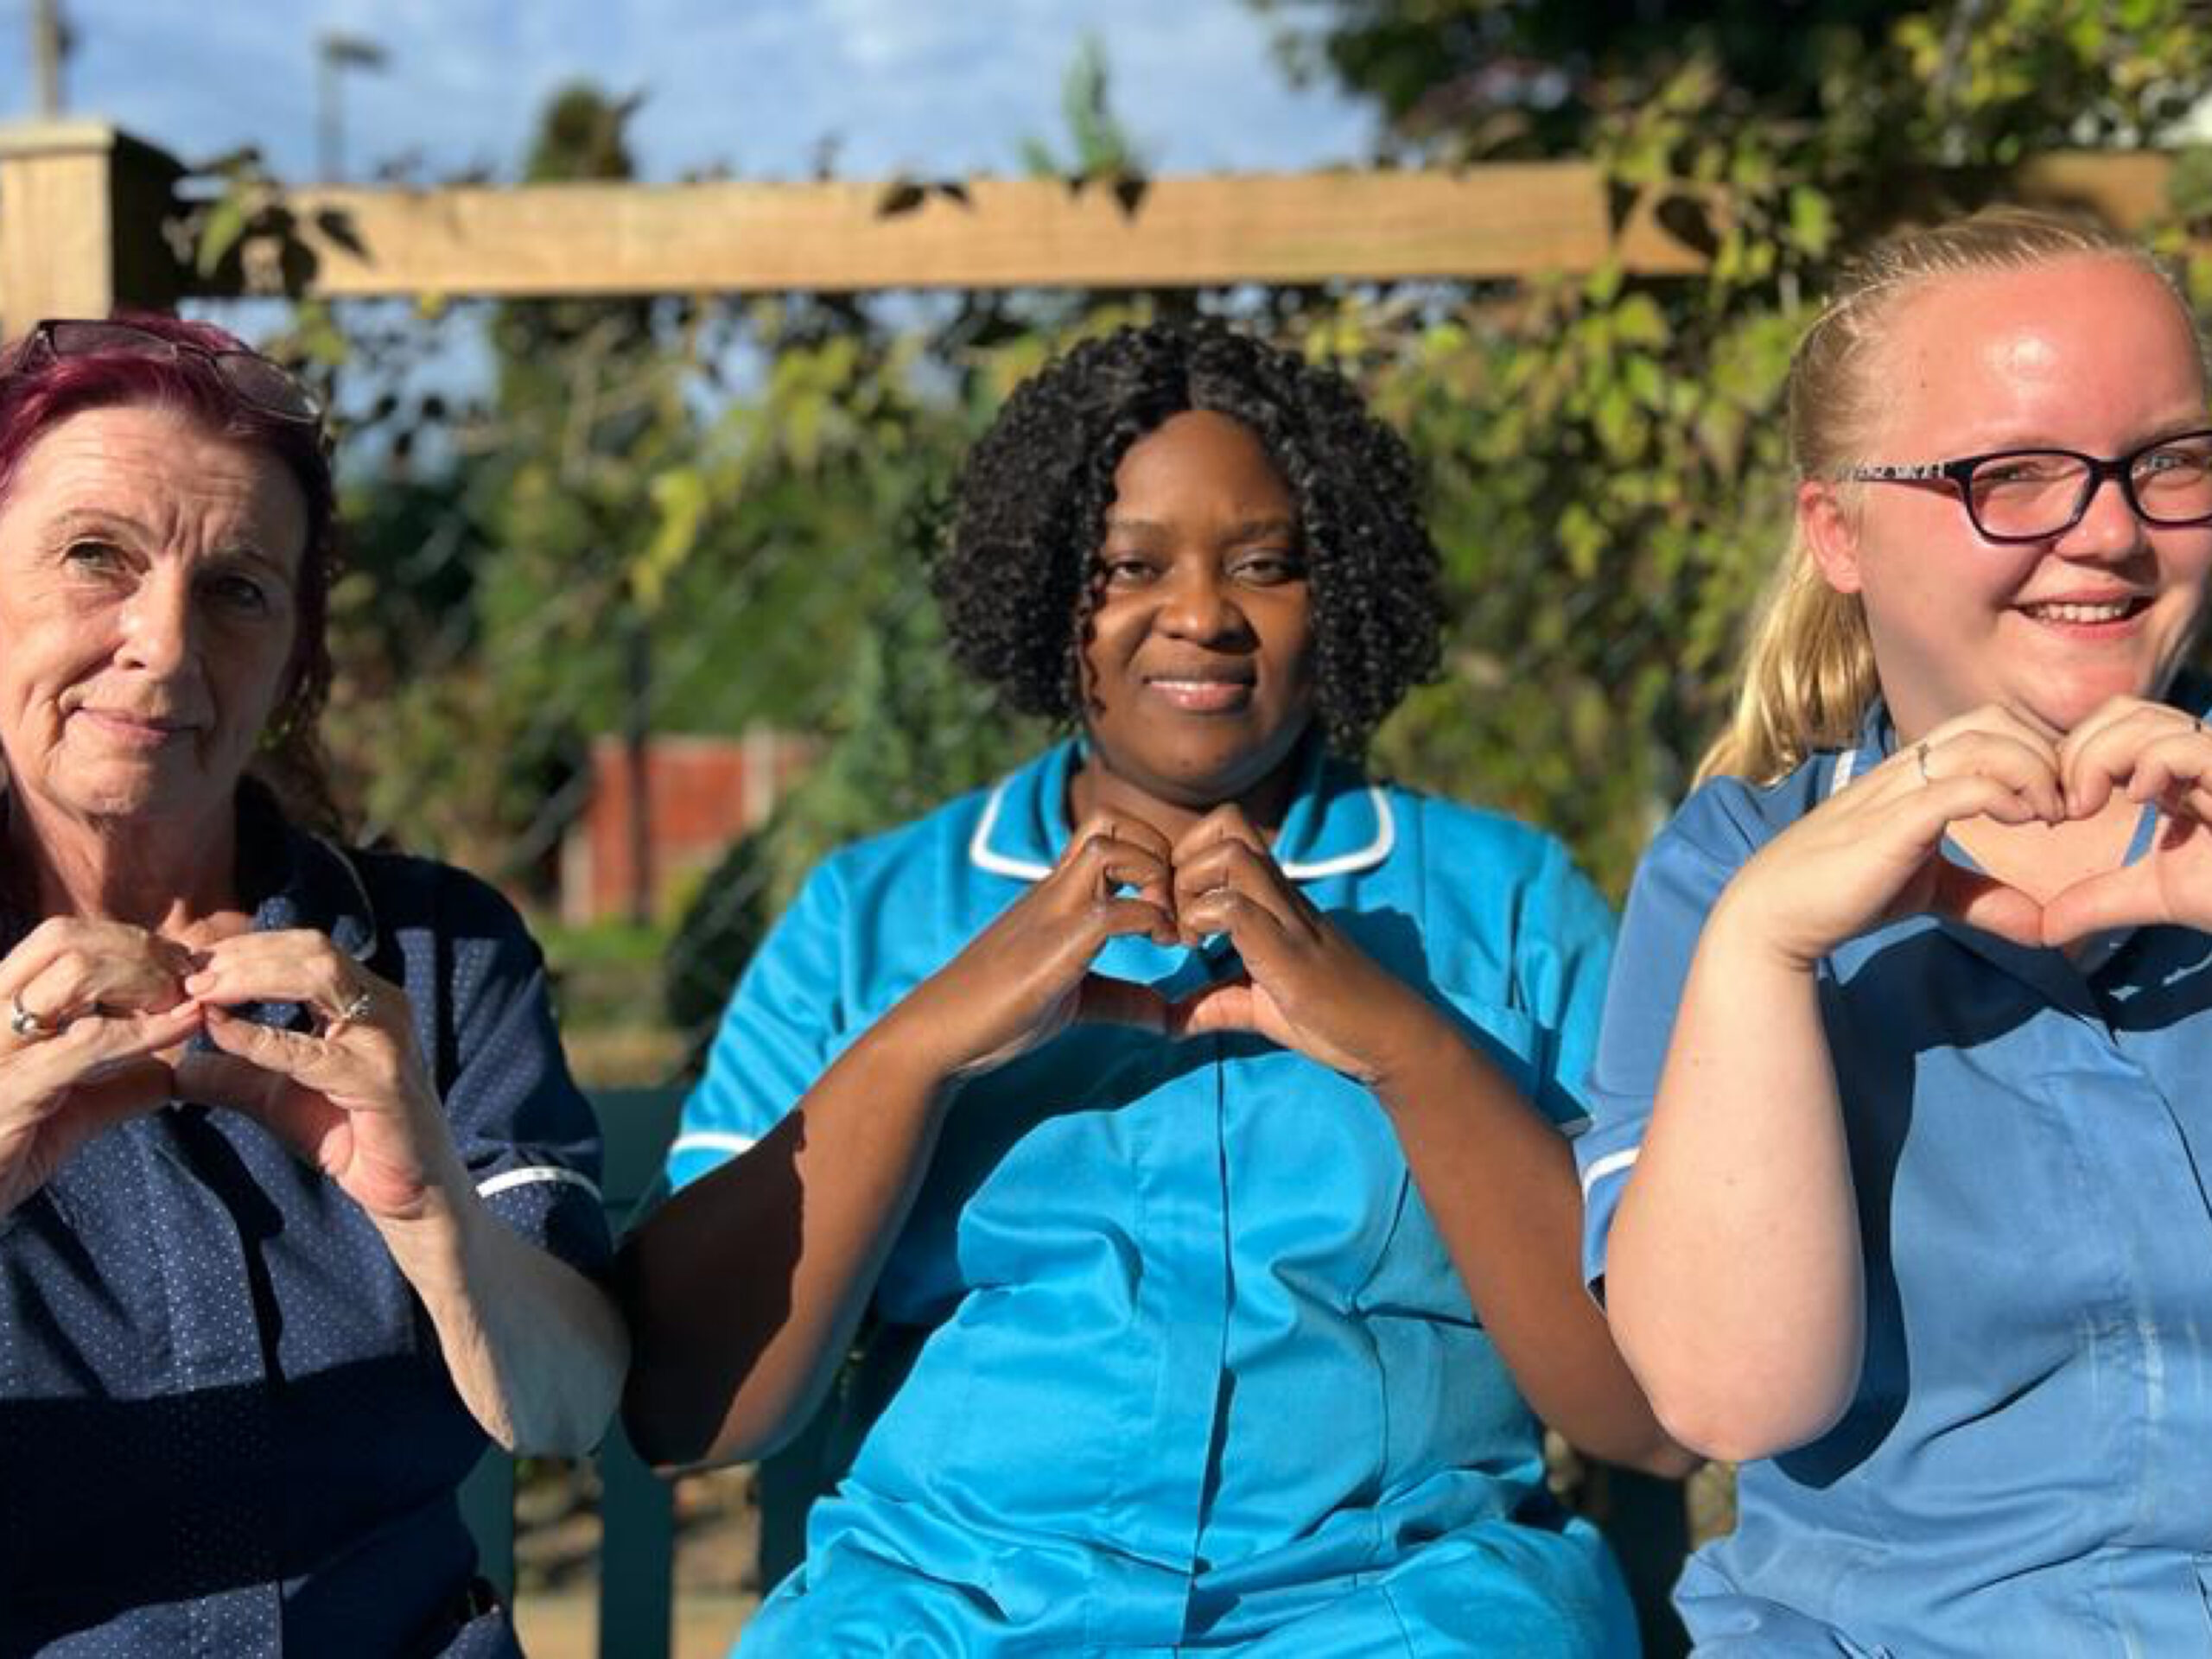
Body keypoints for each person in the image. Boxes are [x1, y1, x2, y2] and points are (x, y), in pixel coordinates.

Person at [623, 321, 1688, 1655]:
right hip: (944, 1613)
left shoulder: (1503, 899)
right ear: (1044, 594)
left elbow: (1647, 1408)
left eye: (1266, 563)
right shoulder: (873, 913)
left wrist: (1411, 1049)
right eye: (1129, 566)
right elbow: (686, 1409)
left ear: (1341, 593)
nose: (1200, 613)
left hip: (1398, 1608)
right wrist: (917, 1053)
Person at [1577, 207, 2212, 1652]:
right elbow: (1732, 1402)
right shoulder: (1734, 874)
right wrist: (1761, 955)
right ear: (1837, 528)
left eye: (2168, 461)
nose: (2108, 530)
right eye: (2014, 474)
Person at [0, 315, 627, 1656]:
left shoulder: (433, 959)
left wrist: (429, 1207)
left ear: (293, 659)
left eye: (237, 590)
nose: (164, 644)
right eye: (94, 556)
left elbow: (571, 1404)